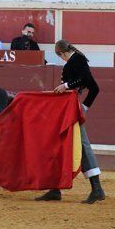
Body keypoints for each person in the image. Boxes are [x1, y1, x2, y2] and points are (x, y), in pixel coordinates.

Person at [36, 39, 104, 204]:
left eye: (60, 56)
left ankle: (97, 189)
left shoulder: (77, 60)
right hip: (66, 110)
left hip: (72, 111)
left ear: (61, 53)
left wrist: (82, 106)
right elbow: (92, 87)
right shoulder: (75, 60)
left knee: (82, 145)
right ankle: (54, 188)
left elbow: (91, 84)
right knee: (58, 144)